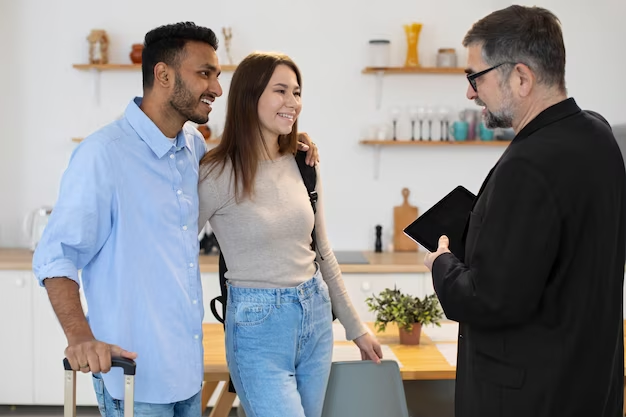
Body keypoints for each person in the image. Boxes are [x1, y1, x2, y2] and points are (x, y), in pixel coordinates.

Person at [32, 22, 318, 416]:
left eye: (217, 76)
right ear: (163, 75)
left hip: (186, 374)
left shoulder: (193, 148)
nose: (217, 88)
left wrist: (288, 144)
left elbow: (242, 169)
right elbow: (56, 255)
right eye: (205, 74)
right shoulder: (103, 155)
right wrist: (79, 337)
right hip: (132, 375)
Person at [423, 5, 626, 417]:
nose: (469, 92)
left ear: (520, 77)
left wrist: (441, 262)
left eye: (474, 77)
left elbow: (488, 301)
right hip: (590, 386)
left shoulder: (528, 165)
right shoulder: (599, 135)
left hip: (526, 396)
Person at [197, 51, 383, 417]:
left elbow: (322, 252)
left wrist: (356, 327)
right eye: (280, 91)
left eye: (297, 92)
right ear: (250, 97)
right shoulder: (215, 173)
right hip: (257, 328)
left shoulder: (303, 163)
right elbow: (176, 247)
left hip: (315, 316)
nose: (292, 103)